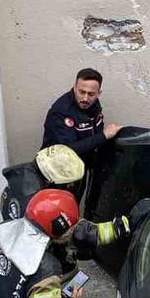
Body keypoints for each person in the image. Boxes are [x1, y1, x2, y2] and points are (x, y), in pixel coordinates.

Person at [0, 144, 150, 298]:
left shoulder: (15, 189)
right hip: (49, 270)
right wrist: (126, 224)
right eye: (67, 184)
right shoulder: (43, 204)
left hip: (21, 267)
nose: (70, 189)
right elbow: (82, 233)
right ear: (52, 180)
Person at [40, 68, 122, 200]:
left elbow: (95, 132)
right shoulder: (62, 111)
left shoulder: (93, 105)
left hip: (78, 171)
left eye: (91, 94)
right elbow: (68, 150)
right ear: (74, 87)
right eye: (81, 92)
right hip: (57, 175)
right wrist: (104, 136)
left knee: (75, 204)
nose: (85, 98)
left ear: (99, 93)